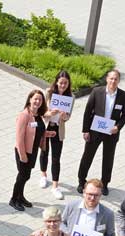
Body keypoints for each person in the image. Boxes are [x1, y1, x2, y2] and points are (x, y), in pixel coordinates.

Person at [76, 69, 125, 195]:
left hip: (111, 132)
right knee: (87, 156)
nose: (113, 81)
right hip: (95, 130)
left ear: (118, 81)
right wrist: (85, 130)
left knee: (108, 158)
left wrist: (118, 127)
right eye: (111, 78)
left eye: (116, 79)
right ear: (107, 79)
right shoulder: (97, 91)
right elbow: (88, 111)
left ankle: (105, 183)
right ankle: (81, 181)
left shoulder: (124, 96)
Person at [10, 89, 55, 211]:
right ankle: (13, 199)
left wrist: (47, 134)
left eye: (40, 99)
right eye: (35, 99)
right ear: (30, 99)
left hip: (33, 151)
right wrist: (22, 155)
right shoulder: (24, 115)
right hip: (23, 151)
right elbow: (19, 138)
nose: (37, 101)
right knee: (22, 176)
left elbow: (37, 131)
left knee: (26, 175)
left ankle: (20, 197)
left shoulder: (38, 115)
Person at [39, 70, 73, 200]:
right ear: (56, 82)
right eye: (61, 83)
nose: (63, 85)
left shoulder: (71, 96)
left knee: (56, 157)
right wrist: (50, 113)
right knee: (44, 152)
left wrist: (64, 116)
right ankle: (43, 175)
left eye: (65, 83)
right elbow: (42, 112)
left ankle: (55, 186)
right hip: (47, 126)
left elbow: (68, 116)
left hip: (58, 129)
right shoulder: (49, 92)